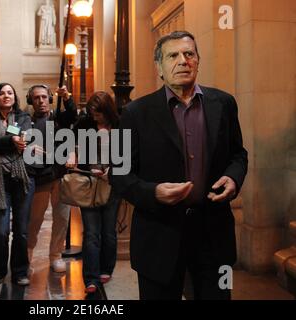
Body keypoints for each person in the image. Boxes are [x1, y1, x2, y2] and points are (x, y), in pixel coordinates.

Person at [110, 31, 248, 300]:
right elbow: (119, 173)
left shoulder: (224, 103)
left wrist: (233, 178)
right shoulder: (135, 113)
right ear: (159, 67)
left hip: (213, 236)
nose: (183, 61)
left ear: (197, 61)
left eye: (189, 54)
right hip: (159, 237)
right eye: (173, 55)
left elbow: (238, 154)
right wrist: (153, 193)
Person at [0, 83, 35, 288]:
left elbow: (25, 135)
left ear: (15, 97)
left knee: (21, 230)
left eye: (10, 93)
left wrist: (14, 140)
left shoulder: (23, 117)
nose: (6, 96)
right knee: (0, 230)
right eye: (2, 93)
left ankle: (20, 271)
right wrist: (11, 141)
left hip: (21, 178)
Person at [67, 91, 121, 294]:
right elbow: (70, 141)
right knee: (91, 232)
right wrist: (72, 154)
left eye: (98, 113)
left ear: (108, 111)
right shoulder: (84, 123)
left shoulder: (119, 125)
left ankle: (107, 268)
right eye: (92, 113)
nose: (95, 117)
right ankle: (90, 277)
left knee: (108, 231)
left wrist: (111, 172)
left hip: (112, 184)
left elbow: (128, 153)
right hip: (87, 183)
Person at [26, 84, 77, 273]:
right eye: (37, 98)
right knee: (35, 219)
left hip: (60, 176)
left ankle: (56, 255)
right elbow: (14, 137)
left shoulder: (58, 119)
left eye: (44, 97)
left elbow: (72, 114)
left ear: (50, 99)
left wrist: (67, 97)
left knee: (62, 218)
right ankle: (28, 253)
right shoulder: (25, 121)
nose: (41, 101)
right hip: (39, 178)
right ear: (31, 101)